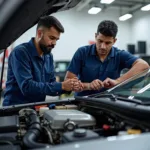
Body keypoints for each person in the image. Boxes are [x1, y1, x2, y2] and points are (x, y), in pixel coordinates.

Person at [3, 16, 82, 106]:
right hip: (14, 111)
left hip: (35, 108)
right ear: (40, 33)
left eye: (56, 39)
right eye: (52, 38)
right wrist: (62, 85)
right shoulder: (20, 53)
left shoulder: (48, 56)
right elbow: (27, 87)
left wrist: (69, 86)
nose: (54, 43)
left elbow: (51, 84)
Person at [65, 20, 149, 96]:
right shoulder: (82, 52)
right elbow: (68, 82)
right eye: (100, 41)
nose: (103, 47)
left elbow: (143, 65)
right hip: (84, 102)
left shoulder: (119, 55)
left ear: (114, 41)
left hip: (109, 103)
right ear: (95, 36)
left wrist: (117, 81)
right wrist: (89, 86)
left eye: (107, 43)